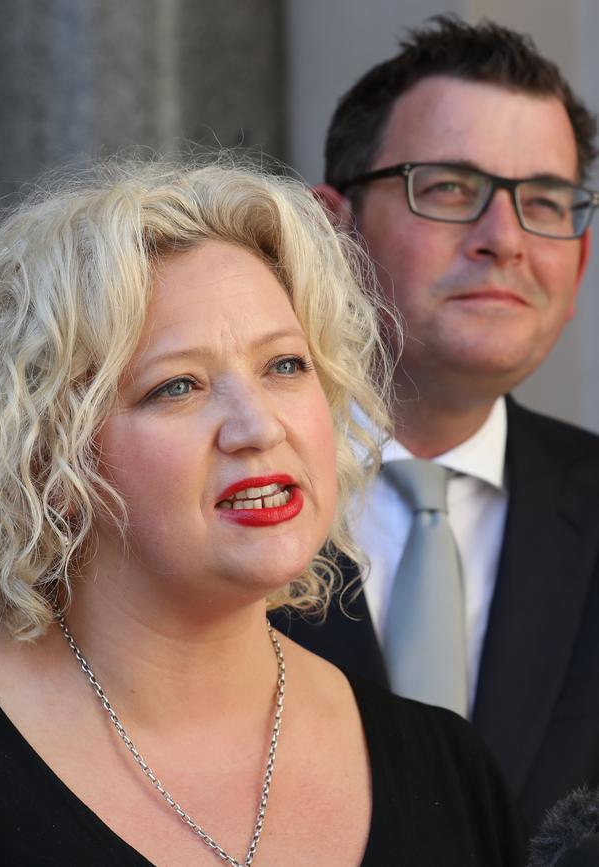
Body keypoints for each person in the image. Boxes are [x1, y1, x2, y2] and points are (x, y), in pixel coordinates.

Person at [0, 158, 525, 865]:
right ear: (49, 460)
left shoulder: (449, 770)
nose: (257, 426)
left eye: (285, 365)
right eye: (178, 385)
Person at [272, 14, 599, 834]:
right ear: (332, 229)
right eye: (450, 187)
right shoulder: (198, 497)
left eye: (547, 201)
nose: (506, 239)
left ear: (581, 259)